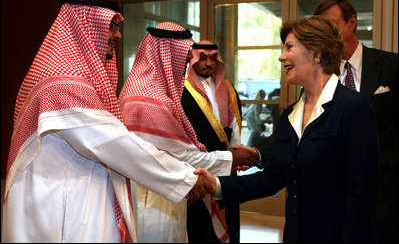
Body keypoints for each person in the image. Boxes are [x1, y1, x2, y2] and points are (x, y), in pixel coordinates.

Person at [1, 0, 211, 243]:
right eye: (111, 26)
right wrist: (184, 178)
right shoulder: (63, 85)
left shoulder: (74, 79)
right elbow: (114, 142)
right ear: (85, 26)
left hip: (78, 197)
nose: (118, 35)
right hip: (62, 208)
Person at [195, 15, 380, 242]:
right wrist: (215, 184)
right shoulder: (290, 115)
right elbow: (272, 178)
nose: (281, 56)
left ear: (317, 52)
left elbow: (362, 194)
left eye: (289, 47)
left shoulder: (353, 107)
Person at [118, 23, 258, 243]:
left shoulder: (141, 89)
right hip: (152, 204)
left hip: (164, 193)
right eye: (183, 58)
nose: (186, 64)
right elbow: (183, 155)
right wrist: (232, 158)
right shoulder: (151, 100)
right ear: (167, 56)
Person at [314, 0, 398, 243]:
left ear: (352, 22)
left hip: (386, 196)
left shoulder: (391, 66)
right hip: (336, 196)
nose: (327, 34)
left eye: (332, 25)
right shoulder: (320, 74)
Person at [182, 40, 242, 243]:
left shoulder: (227, 87)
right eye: (203, 58)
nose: (208, 63)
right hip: (197, 162)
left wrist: (236, 156)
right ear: (194, 59)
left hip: (225, 160)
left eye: (212, 59)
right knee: (201, 223)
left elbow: (234, 125)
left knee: (228, 215)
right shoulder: (183, 88)